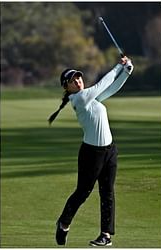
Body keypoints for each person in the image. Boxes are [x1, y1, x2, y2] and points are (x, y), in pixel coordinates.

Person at [49, 56, 133, 246]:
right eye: (72, 80)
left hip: (110, 151)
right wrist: (119, 66)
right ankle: (63, 223)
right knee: (83, 191)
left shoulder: (88, 95)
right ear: (66, 87)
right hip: (91, 154)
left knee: (107, 193)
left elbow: (111, 88)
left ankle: (106, 235)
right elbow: (103, 84)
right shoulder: (79, 98)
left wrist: (127, 72)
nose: (78, 81)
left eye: (78, 78)